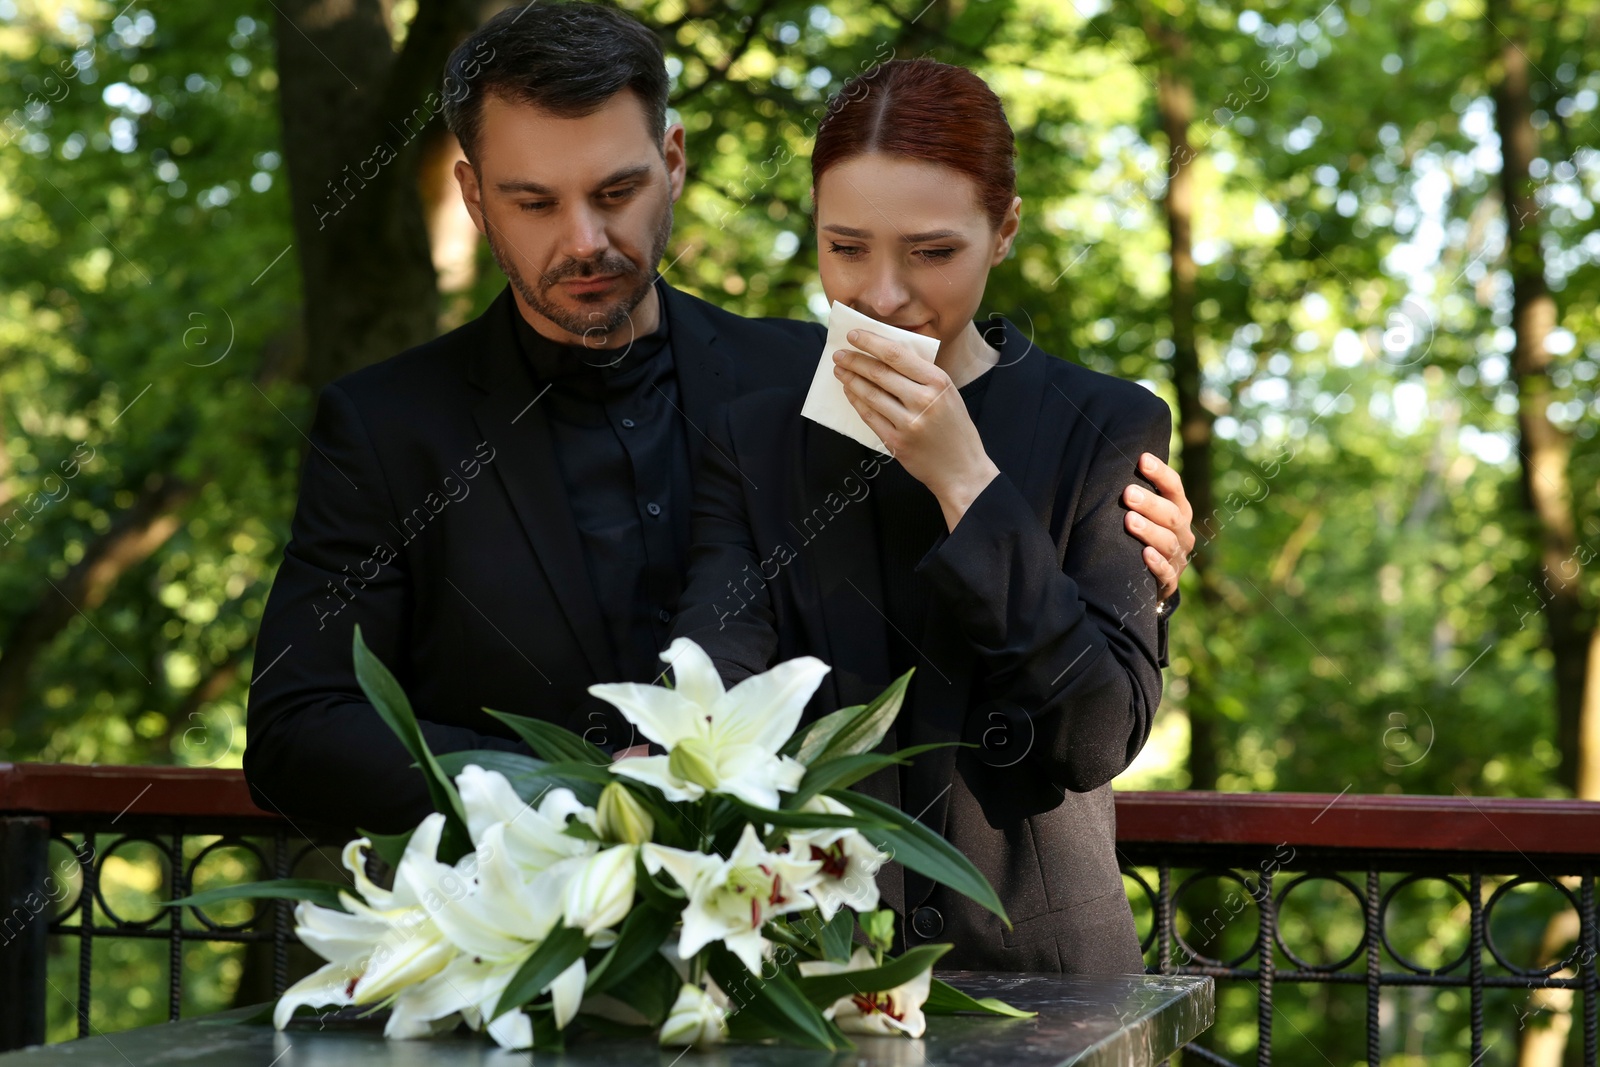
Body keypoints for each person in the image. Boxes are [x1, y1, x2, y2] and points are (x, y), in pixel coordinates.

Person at [242, 3, 1194, 836]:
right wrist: (579, 799)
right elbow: (298, 729)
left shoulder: (818, 376)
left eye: (616, 192)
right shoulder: (383, 425)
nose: (585, 239)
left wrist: (1121, 571)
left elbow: (954, 629)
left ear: (673, 162)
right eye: (535, 202)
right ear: (473, 199)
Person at [670, 58, 1168, 975]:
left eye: (932, 252)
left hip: (1047, 981)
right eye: (845, 248)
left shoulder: (1106, 425)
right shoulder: (754, 439)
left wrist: (966, 479)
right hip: (810, 971)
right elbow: (716, 686)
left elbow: (1095, 733)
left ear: (1004, 231)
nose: (883, 294)